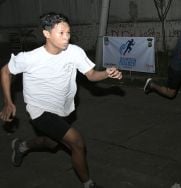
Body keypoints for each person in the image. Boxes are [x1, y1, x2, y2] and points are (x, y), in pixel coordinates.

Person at [0, 12, 122, 188]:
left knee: (50, 143)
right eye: (61, 33)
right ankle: (88, 184)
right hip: (39, 110)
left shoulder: (74, 52)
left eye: (68, 33)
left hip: (62, 109)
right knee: (77, 142)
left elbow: (91, 75)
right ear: (47, 33)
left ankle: (22, 146)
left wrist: (106, 73)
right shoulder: (30, 58)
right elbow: (5, 71)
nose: (66, 38)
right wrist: (8, 102)